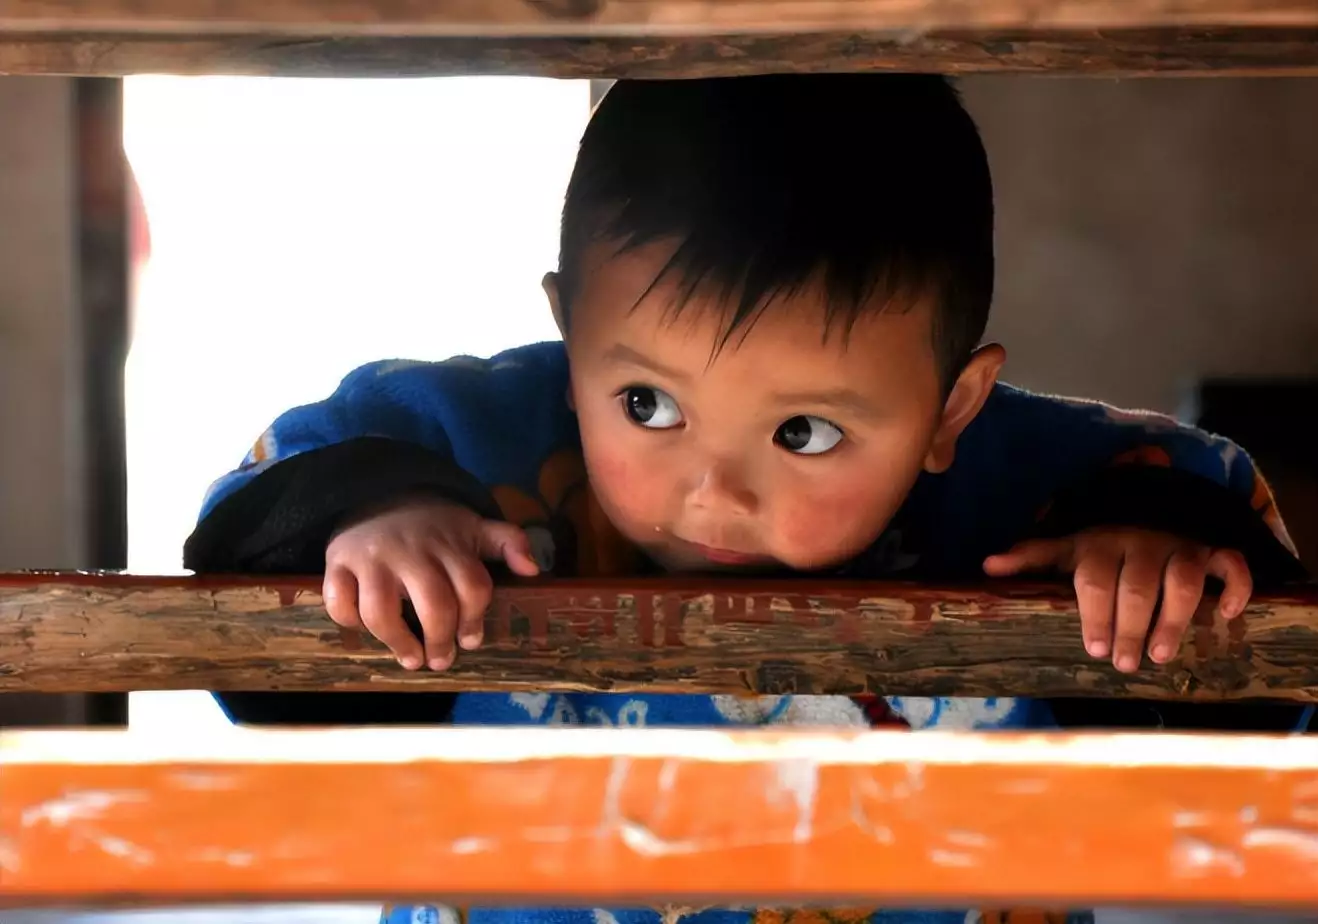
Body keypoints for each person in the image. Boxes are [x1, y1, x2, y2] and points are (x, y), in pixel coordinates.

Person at [183, 75, 1307, 924]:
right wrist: (371, 527)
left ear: (950, 412)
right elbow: (256, 536)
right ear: (570, 333)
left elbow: (1248, 662)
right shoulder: (471, 450)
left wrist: (1157, 564)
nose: (713, 492)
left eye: (804, 433)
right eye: (645, 405)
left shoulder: (1048, 490)